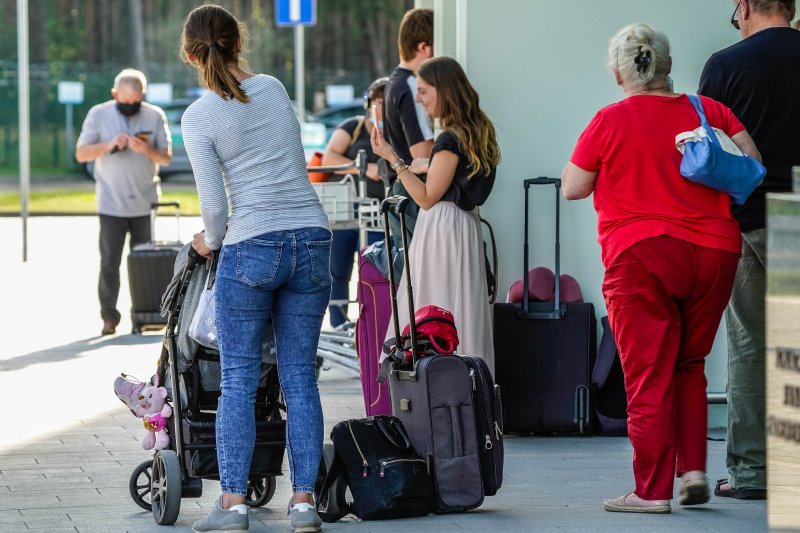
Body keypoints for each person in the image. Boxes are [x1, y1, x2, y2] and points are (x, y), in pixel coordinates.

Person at [563, 23, 761, 513]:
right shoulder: (708, 110)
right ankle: (693, 471)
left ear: (618, 73)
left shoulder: (609, 119)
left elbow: (573, 186)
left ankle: (650, 492)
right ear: (667, 66)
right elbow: (751, 162)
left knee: (649, 375)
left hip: (640, 255)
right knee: (690, 365)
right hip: (715, 251)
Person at [179, 5, 330, 532]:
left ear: (192, 55)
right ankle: (305, 503)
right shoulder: (273, 87)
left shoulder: (198, 116)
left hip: (252, 246)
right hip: (311, 238)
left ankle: (233, 506)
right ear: (238, 42)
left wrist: (206, 242)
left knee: (240, 379)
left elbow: (214, 207)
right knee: (299, 379)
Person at [699, 0, 800, 501]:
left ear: (744, 6)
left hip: (747, 221)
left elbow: (701, 151)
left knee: (749, 349)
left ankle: (753, 475)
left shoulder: (725, 65)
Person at [371, 56, 500, 372]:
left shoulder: (450, 138)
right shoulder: (478, 131)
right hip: (464, 227)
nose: (419, 98)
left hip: (442, 230)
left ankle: (434, 382)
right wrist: (426, 165)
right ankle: (468, 388)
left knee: (435, 307)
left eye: (424, 91)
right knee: (462, 307)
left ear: (444, 90)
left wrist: (392, 158)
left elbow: (426, 198)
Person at [75, 69, 172, 336]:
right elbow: (82, 153)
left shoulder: (154, 115)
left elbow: (166, 157)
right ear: (114, 94)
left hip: (145, 202)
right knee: (109, 262)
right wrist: (108, 145)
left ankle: (146, 315)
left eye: (136, 101)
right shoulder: (98, 114)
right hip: (110, 203)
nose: (131, 106)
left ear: (143, 96)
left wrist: (146, 150)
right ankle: (109, 317)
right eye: (125, 101)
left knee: (144, 262)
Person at [321, 77, 388, 328]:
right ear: (369, 104)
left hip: (376, 212)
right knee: (338, 270)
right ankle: (339, 324)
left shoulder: (398, 132)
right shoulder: (354, 127)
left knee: (372, 268)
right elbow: (330, 155)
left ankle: (369, 325)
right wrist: (366, 168)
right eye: (379, 102)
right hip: (345, 209)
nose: (383, 109)